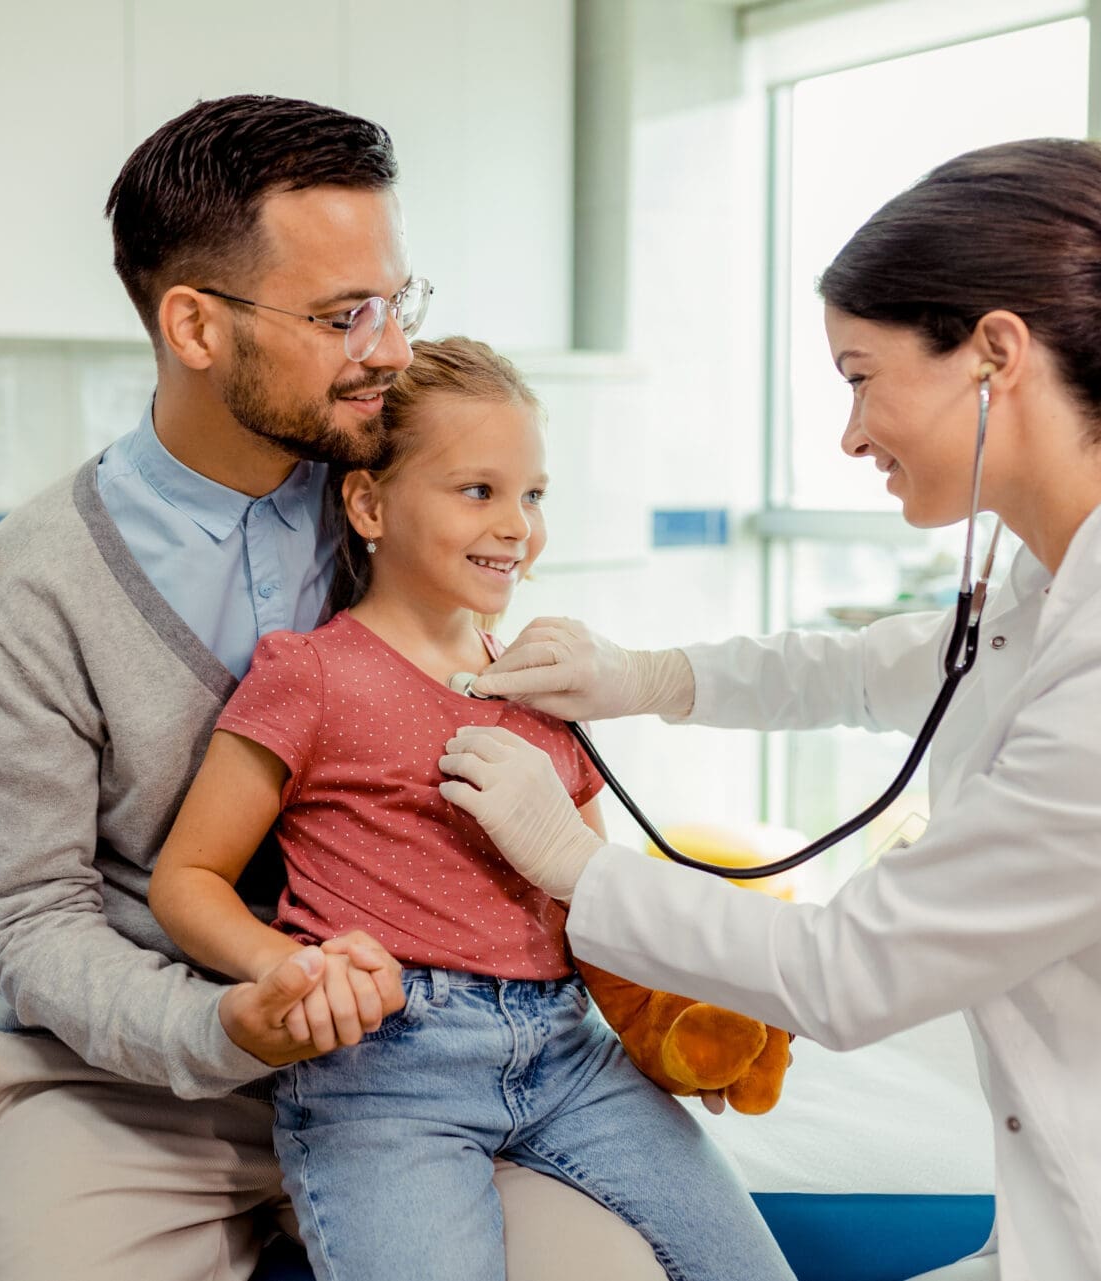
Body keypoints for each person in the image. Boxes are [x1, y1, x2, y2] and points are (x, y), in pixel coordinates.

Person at [435, 138, 1101, 1281]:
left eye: (858, 375)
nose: (850, 433)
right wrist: (643, 676)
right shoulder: (1092, 567)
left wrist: (572, 862)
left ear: (996, 352)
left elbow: (851, 971)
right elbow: (866, 670)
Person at [0, 96, 667, 1280]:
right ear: (193, 325)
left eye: (396, 303)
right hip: (136, 1082)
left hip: (424, 1064)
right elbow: (30, 922)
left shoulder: (388, 501)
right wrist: (227, 1020)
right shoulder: (31, 592)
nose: (387, 348)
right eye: (343, 317)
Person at [147, 337, 791, 1281]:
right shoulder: (311, 675)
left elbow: (594, 893)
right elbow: (187, 877)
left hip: (570, 1055)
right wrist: (289, 969)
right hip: (387, 1074)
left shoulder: (543, 682)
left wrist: (675, 1002)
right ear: (368, 503)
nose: (518, 528)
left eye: (532, 495)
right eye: (478, 491)